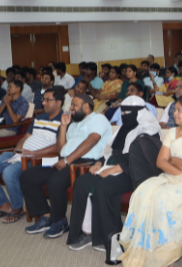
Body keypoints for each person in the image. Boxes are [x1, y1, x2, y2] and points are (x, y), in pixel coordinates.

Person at [116, 95, 182, 267]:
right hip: (176, 176)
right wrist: (179, 172)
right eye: (174, 110)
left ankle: (167, 255)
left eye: (179, 110)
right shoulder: (173, 132)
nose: (174, 114)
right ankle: (151, 247)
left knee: (164, 198)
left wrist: (174, 159)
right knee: (143, 191)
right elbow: (161, 162)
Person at [66, 96, 163, 255]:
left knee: (103, 188)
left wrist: (116, 168)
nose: (124, 115)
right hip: (109, 165)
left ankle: (110, 237)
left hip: (131, 172)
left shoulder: (149, 130)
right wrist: (99, 162)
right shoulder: (123, 128)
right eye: (122, 111)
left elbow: (143, 160)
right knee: (81, 183)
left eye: (128, 112)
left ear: (139, 113)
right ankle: (86, 232)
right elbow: (110, 150)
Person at [20, 93, 111, 239]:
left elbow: (92, 141)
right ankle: (46, 215)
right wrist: (63, 126)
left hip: (85, 162)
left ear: (86, 106)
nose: (70, 108)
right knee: (28, 176)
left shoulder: (98, 118)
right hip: (64, 159)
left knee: (55, 181)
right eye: (71, 104)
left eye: (74, 104)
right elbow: (62, 148)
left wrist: (67, 160)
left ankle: (60, 220)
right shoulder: (73, 124)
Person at [0, 87, 64, 224]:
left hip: (36, 158)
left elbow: (59, 147)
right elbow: (26, 136)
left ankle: (17, 208)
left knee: (9, 173)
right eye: (43, 100)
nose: (43, 103)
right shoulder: (39, 118)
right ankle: (4, 204)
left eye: (48, 100)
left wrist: (31, 153)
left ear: (59, 102)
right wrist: (18, 150)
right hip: (20, 154)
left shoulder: (64, 120)